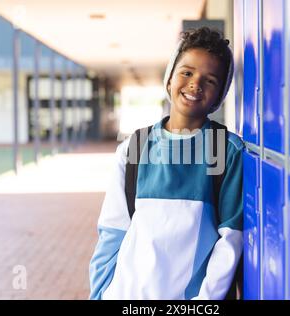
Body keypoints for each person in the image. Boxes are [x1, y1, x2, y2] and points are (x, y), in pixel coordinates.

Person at [89, 27, 243, 300]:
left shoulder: (227, 151)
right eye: (187, 72)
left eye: (210, 80)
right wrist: (101, 293)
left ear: (220, 95)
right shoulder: (134, 148)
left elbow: (230, 240)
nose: (195, 84)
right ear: (170, 78)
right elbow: (112, 230)